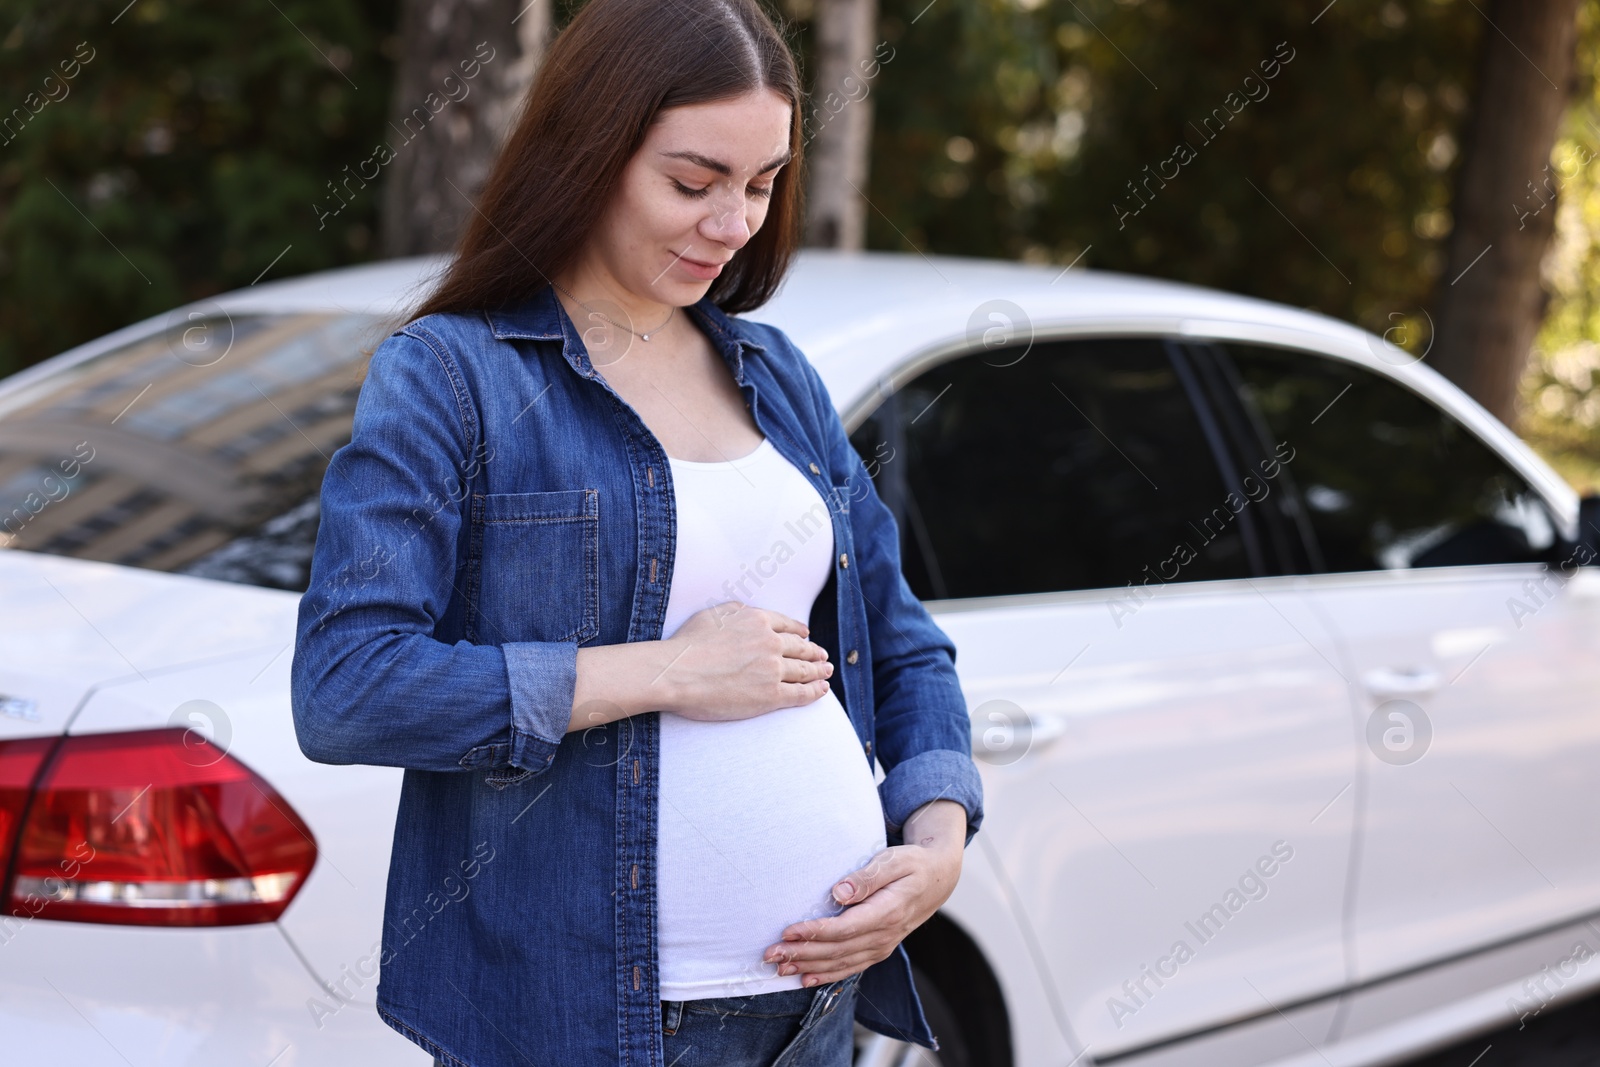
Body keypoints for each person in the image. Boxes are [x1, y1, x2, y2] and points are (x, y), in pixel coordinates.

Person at [289, 0, 984, 1064]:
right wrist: (666, 670)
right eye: (693, 182)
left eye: (761, 185)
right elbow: (349, 686)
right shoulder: (455, 375)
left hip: (820, 1008)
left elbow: (900, 639)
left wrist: (936, 840)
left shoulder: (775, 374)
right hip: (593, 1025)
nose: (734, 223)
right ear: (588, 154)